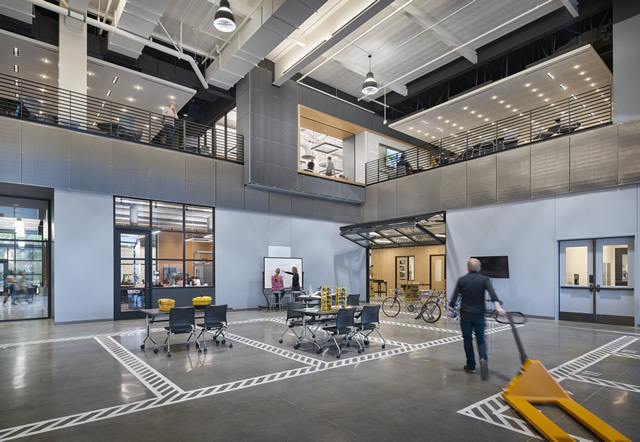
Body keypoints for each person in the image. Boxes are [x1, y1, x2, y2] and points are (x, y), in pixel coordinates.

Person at [448, 258, 505, 380]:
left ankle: (471, 365)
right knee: (481, 339)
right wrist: (498, 307)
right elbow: (492, 294)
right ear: (479, 268)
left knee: (467, 340)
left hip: (466, 315)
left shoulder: (462, 280)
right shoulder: (484, 279)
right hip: (479, 315)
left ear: (468, 268)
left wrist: (450, 310)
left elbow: (454, 297)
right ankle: (483, 358)